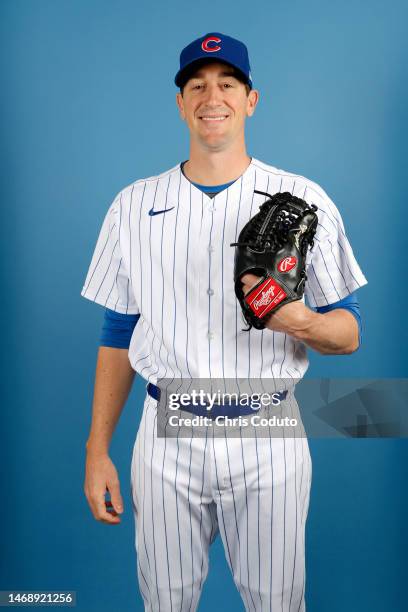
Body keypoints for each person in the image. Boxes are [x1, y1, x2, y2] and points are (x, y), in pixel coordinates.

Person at [81, 32, 367, 611]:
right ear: (182, 104)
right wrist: (97, 449)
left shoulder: (303, 198)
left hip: (268, 429)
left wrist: (299, 321)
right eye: (198, 85)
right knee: (164, 600)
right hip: (166, 432)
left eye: (228, 83)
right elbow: (117, 334)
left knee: (278, 603)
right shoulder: (132, 205)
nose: (214, 96)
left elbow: (349, 333)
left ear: (251, 99)